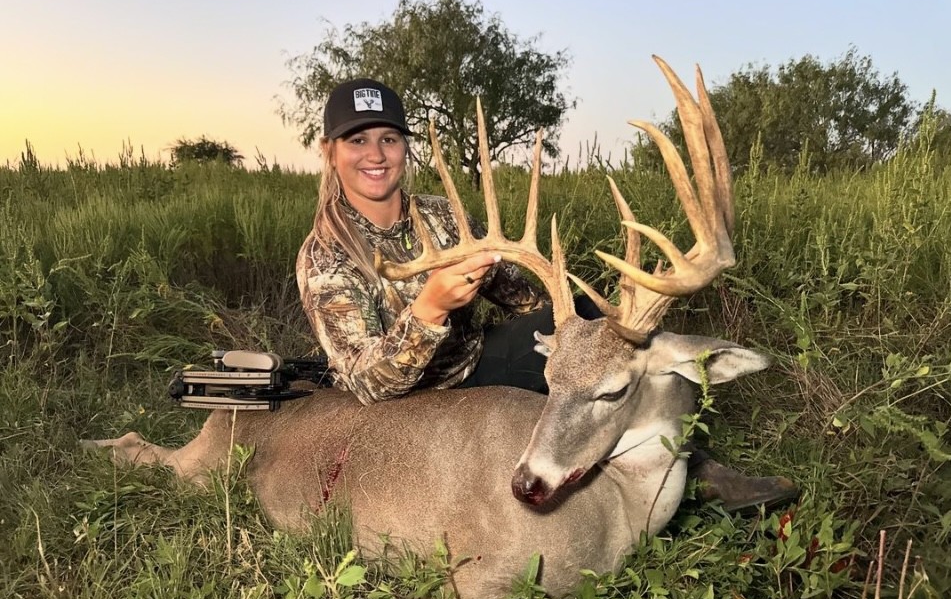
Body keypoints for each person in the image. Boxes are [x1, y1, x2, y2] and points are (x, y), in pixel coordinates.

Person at [296, 78, 797, 511]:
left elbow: (522, 302)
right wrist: (429, 311)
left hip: (475, 366)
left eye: (388, 138)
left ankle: (691, 463)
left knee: (595, 329)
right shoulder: (326, 257)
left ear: (404, 147)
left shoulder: (443, 217)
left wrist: (573, 333)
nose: (375, 155)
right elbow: (367, 388)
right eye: (356, 140)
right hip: (409, 409)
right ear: (330, 151)